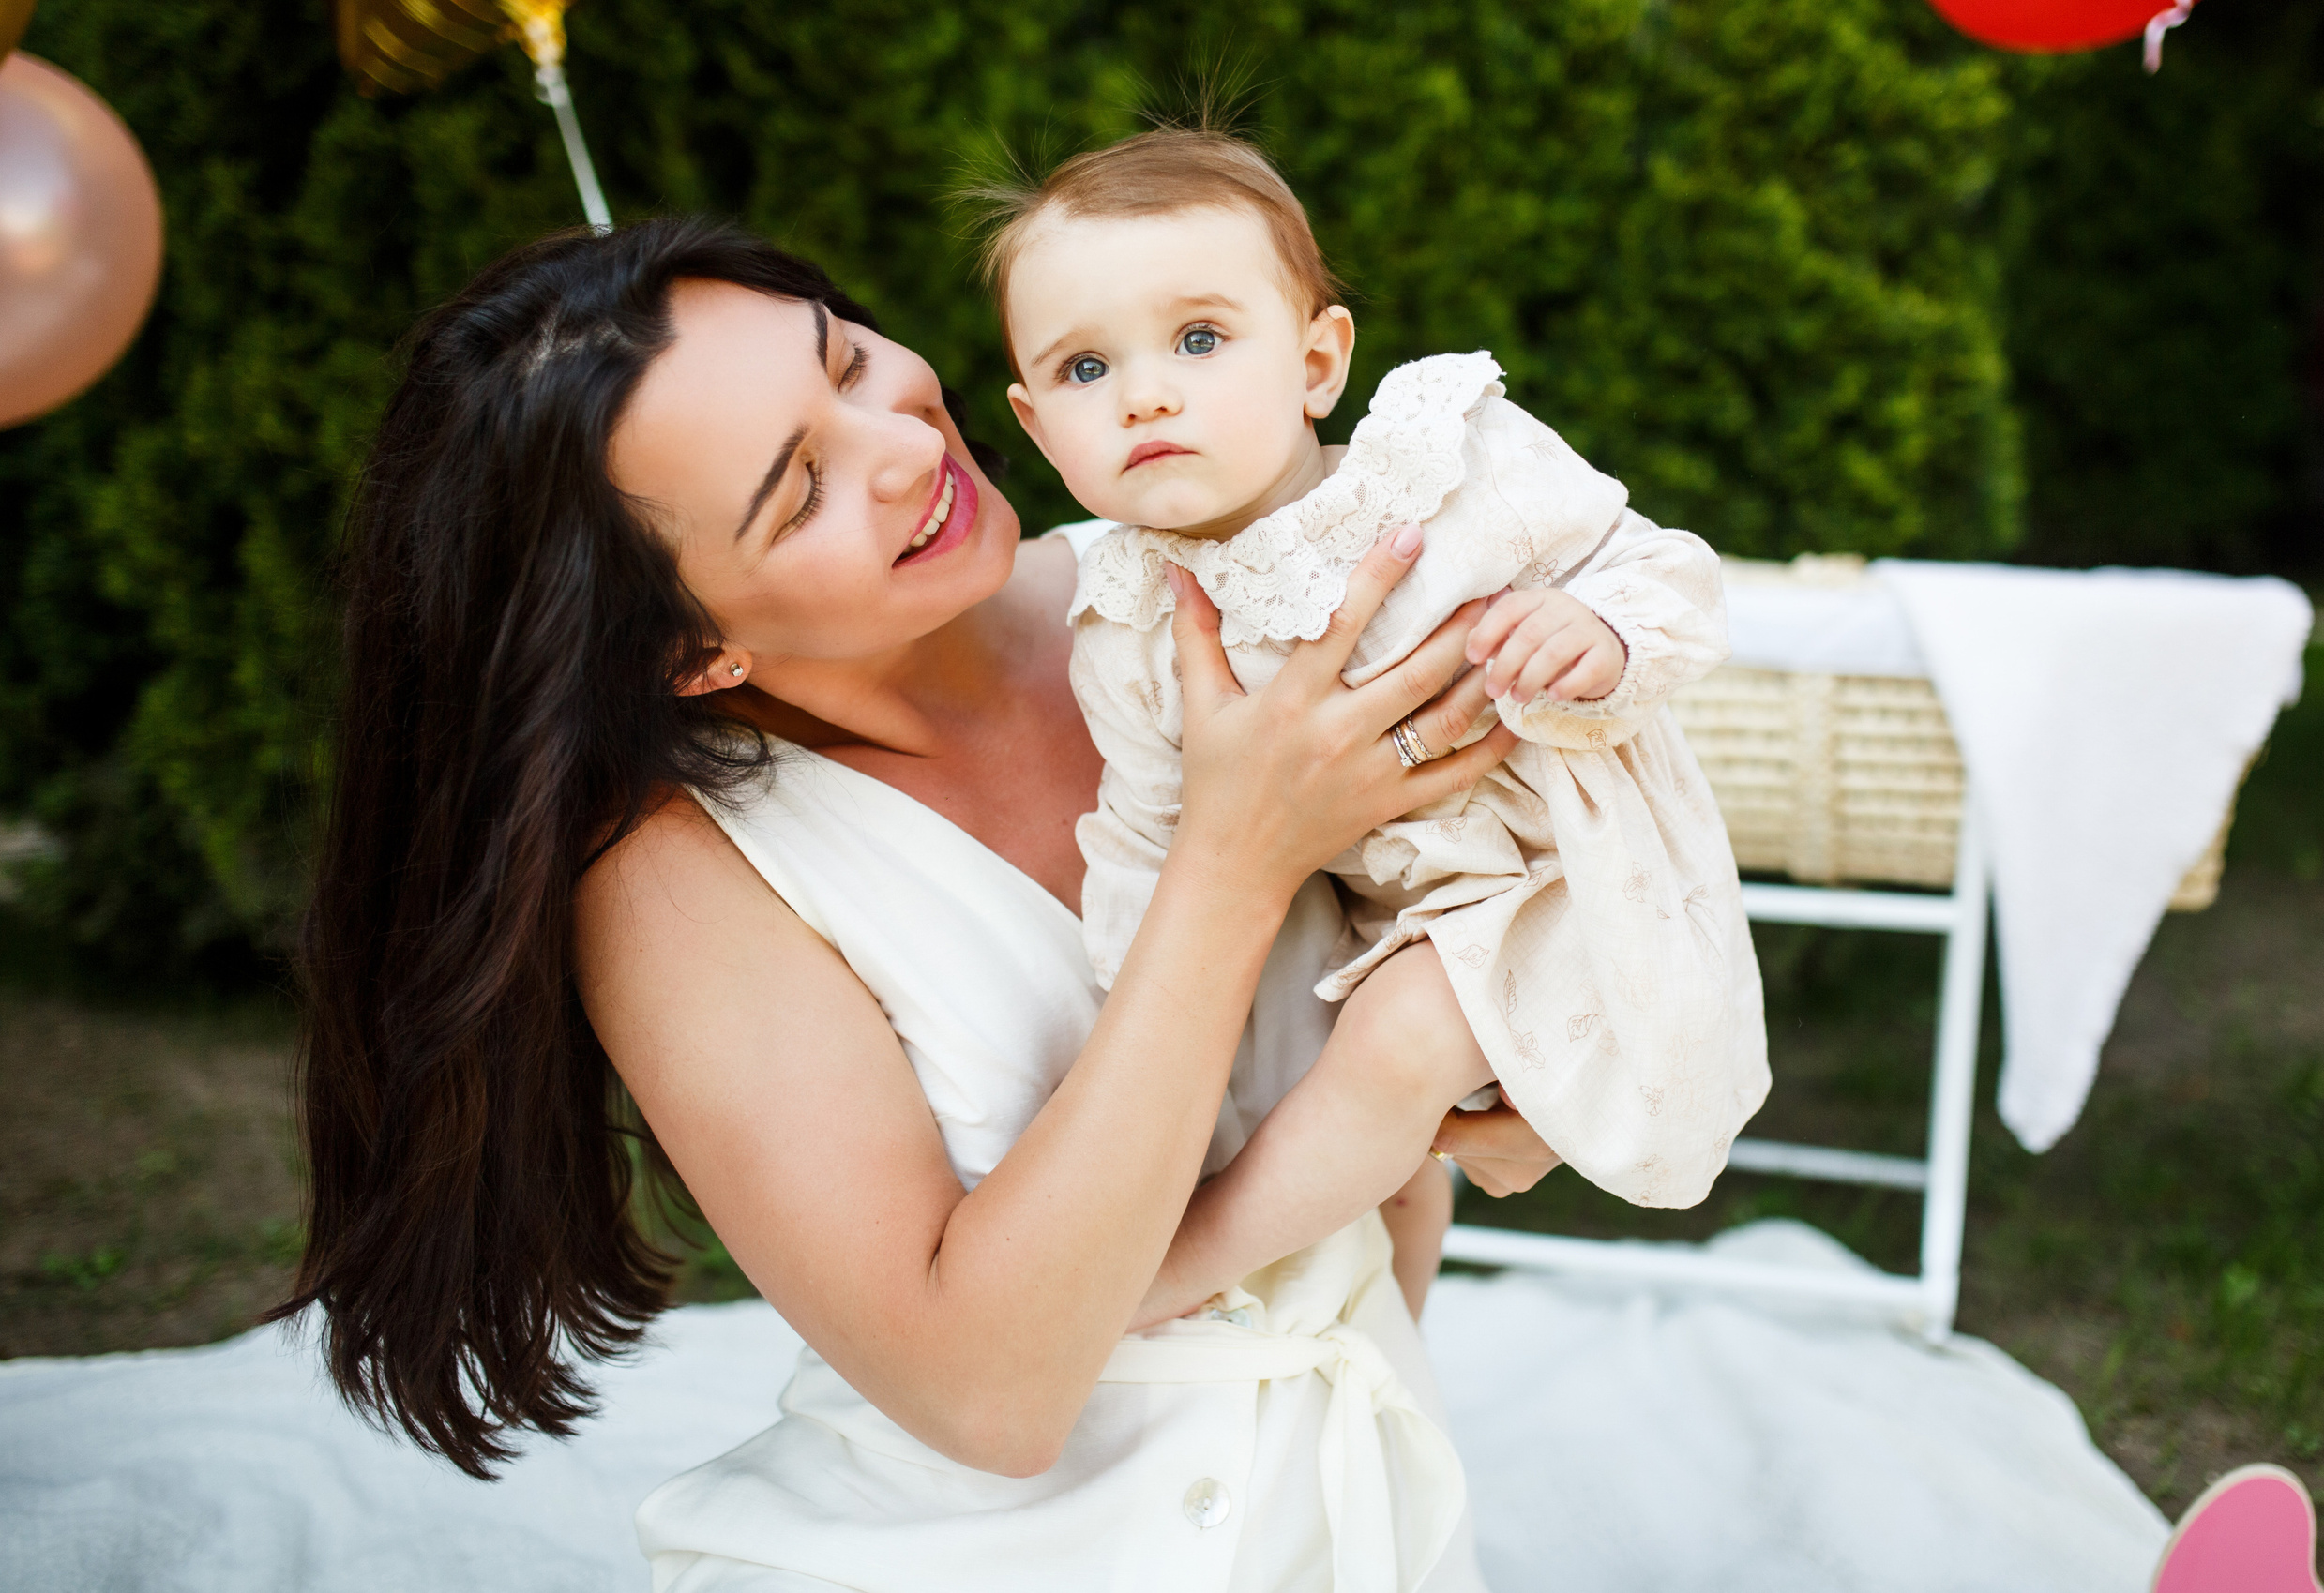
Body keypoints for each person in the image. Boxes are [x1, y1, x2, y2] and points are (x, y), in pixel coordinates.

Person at [274, 217, 1583, 1590]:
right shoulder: (681, 872)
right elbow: (987, 1395)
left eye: (843, 361)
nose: (903, 446)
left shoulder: (1201, 579)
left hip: (1355, 1508)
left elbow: (1437, 1010)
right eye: (802, 491)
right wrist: (1237, 861)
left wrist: (1483, 1090)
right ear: (691, 649)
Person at [982, 128, 1770, 1330]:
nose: (1144, 392)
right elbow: (1146, 844)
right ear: (1039, 431)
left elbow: (1666, 574)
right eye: (1086, 370)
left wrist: (1593, 631)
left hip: (1571, 876)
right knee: (1358, 1120)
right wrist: (1136, 1046)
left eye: (1199, 340)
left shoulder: (1453, 477)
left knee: (1394, 1045)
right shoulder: (1130, 622)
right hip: (1385, 925)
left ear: (1315, 363)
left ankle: (1170, 1274)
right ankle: (1383, 1342)